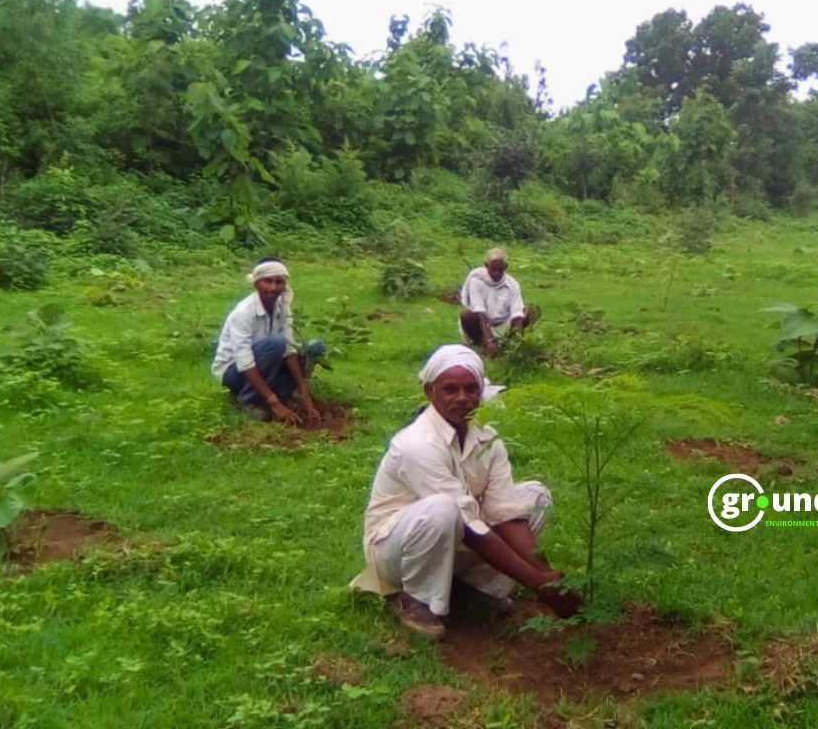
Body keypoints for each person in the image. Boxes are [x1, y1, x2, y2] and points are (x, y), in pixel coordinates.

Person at [350, 344, 581, 640]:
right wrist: (535, 582)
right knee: (443, 508)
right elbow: (469, 526)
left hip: (451, 535)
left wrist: (548, 577)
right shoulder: (417, 443)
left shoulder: (487, 438)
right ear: (429, 391)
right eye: (450, 389)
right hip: (396, 550)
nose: (463, 398)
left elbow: (505, 513)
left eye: (472, 389)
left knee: (534, 497)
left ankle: (476, 589)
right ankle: (416, 598)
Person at [211, 258, 325, 424]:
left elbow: (289, 348)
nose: (273, 288)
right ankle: (248, 399)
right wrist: (275, 403)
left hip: (266, 363)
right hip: (234, 372)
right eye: (267, 281)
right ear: (256, 284)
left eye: (279, 282)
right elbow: (244, 361)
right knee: (276, 342)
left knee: (315, 347)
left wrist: (304, 391)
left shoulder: (282, 306)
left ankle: (278, 392)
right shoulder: (244, 313)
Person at [459, 248, 538, 358]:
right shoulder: (476, 280)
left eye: (499, 270)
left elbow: (517, 314)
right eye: (493, 269)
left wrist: (519, 342)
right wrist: (489, 341)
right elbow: (480, 313)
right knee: (467, 315)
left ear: (505, 267)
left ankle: (505, 344)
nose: (496, 273)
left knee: (529, 313)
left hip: (503, 326)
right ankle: (482, 343)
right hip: (481, 325)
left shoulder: (512, 284)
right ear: (486, 266)